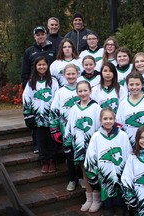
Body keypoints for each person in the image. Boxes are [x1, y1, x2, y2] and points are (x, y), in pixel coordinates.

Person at [84, 107, 132, 216]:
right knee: (107, 209)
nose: (108, 121)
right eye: (105, 119)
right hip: (104, 179)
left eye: (111, 118)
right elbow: (90, 158)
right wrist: (93, 177)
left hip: (120, 178)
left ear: (115, 120)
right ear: (100, 121)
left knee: (120, 208)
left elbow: (128, 155)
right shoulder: (96, 137)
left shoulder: (122, 135)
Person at [64, 80, 102, 212]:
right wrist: (67, 143)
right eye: (80, 91)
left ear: (90, 91)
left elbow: (100, 127)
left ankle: (97, 199)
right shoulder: (74, 108)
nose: (83, 93)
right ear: (77, 93)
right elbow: (69, 127)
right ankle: (89, 198)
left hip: (92, 146)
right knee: (85, 172)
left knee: (93, 172)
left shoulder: (96, 107)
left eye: (85, 90)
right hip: (79, 146)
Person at [22, 56, 59, 174]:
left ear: (47, 66)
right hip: (38, 118)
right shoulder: (31, 82)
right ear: (35, 67)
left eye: (44, 64)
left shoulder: (53, 81)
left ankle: (52, 160)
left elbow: (57, 98)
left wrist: (55, 115)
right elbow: (26, 98)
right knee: (41, 140)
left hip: (51, 117)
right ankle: (44, 162)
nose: (42, 67)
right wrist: (28, 115)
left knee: (51, 140)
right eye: (39, 65)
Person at [49, 63, 82, 191]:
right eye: (68, 74)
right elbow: (54, 110)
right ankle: (72, 179)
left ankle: (80, 177)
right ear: (64, 75)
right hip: (66, 129)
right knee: (69, 156)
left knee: (80, 154)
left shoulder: (82, 88)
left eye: (73, 73)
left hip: (81, 130)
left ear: (78, 74)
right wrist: (54, 128)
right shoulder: (60, 92)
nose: (71, 76)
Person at [116, 72, 144, 147]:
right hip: (128, 143)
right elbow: (119, 124)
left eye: (137, 84)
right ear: (127, 86)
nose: (134, 87)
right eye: (131, 84)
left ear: (142, 85)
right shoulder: (123, 104)